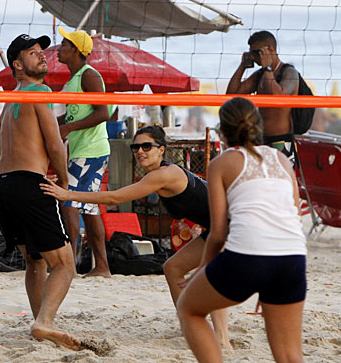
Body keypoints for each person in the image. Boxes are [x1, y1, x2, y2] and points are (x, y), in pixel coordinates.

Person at [41, 125, 231, 349]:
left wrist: (67, 194)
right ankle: (190, 323)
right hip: (217, 226)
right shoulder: (157, 175)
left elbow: (114, 198)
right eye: (136, 147)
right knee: (172, 268)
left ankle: (223, 339)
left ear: (161, 150)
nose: (140, 151)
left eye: (146, 146)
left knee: (212, 274)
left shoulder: (164, 174)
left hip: (232, 224)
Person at [177, 97, 307, 363]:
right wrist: (270, 281)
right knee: (289, 355)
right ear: (258, 127)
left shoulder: (222, 163)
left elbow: (218, 233)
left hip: (248, 256)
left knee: (189, 308)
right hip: (292, 259)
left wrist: (201, 271)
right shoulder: (282, 160)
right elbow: (294, 217)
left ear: (221, 133)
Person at [0, 33, 80, 351]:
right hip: (28, 183)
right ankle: (44, 322)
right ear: (18, 65)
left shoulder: (13, 97)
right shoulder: (40, 91)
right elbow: (54, 143)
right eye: (32, 53)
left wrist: (16, 160)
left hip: (0, 186)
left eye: (42, 51)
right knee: (65, 264)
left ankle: (41, 320)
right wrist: (64, 181)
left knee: (35, 261)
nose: (42, 55)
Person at [56, 26, 112, 278]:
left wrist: (68, 127)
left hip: (91, 150)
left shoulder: (90, 76)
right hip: (82, 149)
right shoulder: (72, 80)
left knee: (68, 202)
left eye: (64, 44)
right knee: (89, 208)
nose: (59, 48)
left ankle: (71, 263)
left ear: (77, 51)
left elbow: (104, 113)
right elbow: (65, 117)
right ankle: (102, 267)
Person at [226, 31, 299, 161]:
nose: (254, 57)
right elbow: (232, 94)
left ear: (270, 49)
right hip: (260, 140)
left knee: (280, 179)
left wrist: (268, 69)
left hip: (281, 141)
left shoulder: (289, 73)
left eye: (256, 53)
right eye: (251, 53)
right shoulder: (260, 75)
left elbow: (278, 97)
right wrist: (242, 66)